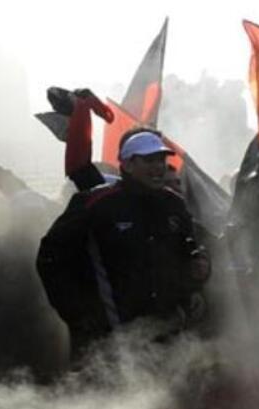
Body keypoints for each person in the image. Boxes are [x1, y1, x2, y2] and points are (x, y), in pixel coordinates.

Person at [36, 128, 211, 361]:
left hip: (168, 336)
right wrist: (77, 314)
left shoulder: (174, 204)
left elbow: (188, 249)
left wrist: (196, 281)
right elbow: (50, 258)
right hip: (108, 341)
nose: (158, 167)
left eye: (161, 160)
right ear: (127, 165)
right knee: (106, 396)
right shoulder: (95, 203)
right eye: (149, 160)